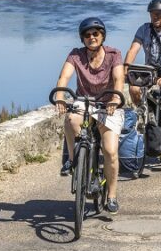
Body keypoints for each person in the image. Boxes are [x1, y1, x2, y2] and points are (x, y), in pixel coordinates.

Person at [54, 17, 126, 214]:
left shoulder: (114, 54)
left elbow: (119, 78)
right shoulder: (76, 55)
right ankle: (71, 159)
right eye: (87, 35)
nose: (92, 37)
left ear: (102, 35)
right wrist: (60, 96)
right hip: (84, 102)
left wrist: (114, 99)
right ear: (82, 39)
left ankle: (111, 195)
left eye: (95, 33)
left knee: (110, 151)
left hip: (108, 104)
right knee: (70, 119)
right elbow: (64, 76)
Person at [124, 0, 161, 160]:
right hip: (149, 71)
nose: (155, 17)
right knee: (133, 88)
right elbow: (133, 49)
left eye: (158, 14)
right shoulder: (144, 29)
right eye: (152, 14)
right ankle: (147, 114)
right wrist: (126, 68)